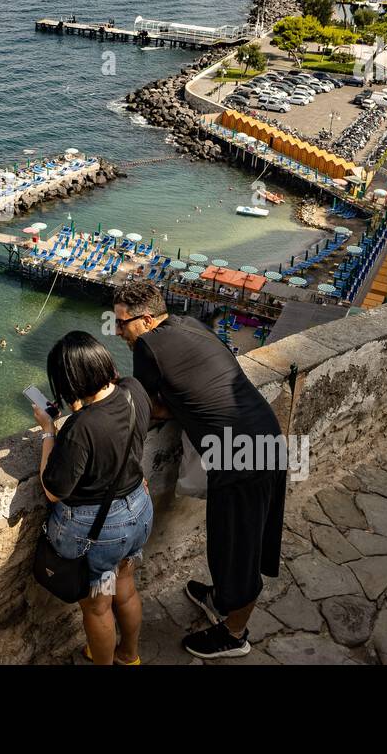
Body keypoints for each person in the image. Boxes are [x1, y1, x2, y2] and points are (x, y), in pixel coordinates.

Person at [112, 279, 287, 660]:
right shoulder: (192, 324)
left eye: (122, 323)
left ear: (144, 321)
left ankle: (235, 634)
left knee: (239, 551)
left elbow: (148, 407)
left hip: (241, 457)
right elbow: (191, 390)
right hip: (265, 434)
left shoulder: (147, 346)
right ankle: (221, 599)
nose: (117, 331)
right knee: (233, 539)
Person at [33, 331, 154, 666]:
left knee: (98, 605)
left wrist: (48, 431)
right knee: (125, 587)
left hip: (99, 532)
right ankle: (129, 655)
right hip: (138, 509)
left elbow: (53, 490)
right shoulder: (134, 391)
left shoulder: (80, 427)